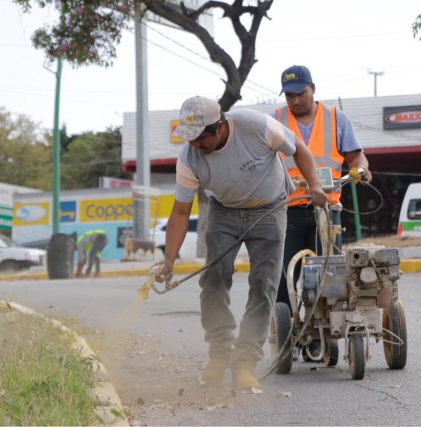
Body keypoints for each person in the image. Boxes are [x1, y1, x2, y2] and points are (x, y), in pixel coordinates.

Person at [158, 95, 328, 391]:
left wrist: (313, 184)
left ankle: (246, 362)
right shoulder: (189, 157)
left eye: (200, 138)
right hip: (224, 212)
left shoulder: (257, 126)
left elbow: (298, 149)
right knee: (213, 278)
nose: (195, 145)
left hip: (270, 207)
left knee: (264, 285)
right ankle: (220, 353)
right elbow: (181, 211)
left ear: (220, 127)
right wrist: (169, 260)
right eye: (190, 139)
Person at [274, 65, 372, 357]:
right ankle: (287, 332)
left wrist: (362, 171)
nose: (294, 101)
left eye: (300, 93)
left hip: (329, 210)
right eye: (289, 95)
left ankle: (319, 333)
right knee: (284, 275)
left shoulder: (336, 119)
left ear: (313, 89)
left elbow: (357, 158)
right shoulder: (275, 121)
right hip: (289, 209)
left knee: (328, 273)